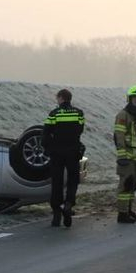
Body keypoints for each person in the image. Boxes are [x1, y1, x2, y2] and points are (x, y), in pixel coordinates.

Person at [43, 89, 86, 227]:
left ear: (61, 98)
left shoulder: (54, 114)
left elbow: (46, 133)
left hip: (57, 153)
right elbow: (80, 129)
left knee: (57, 182)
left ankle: (57, 213)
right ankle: (69, 204)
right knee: (73, 180)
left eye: (57, 97)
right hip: (73, 152)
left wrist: (47, 149)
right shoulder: (79, 113)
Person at [114, 85, 136, 224]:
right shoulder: (123, 115)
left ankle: (128, 210)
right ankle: (122, 214)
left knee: (135, 184)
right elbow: (119, 136)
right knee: (126, 184)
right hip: (127, 158)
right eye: (134, 98)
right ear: (129, 99)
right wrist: (122, 156)